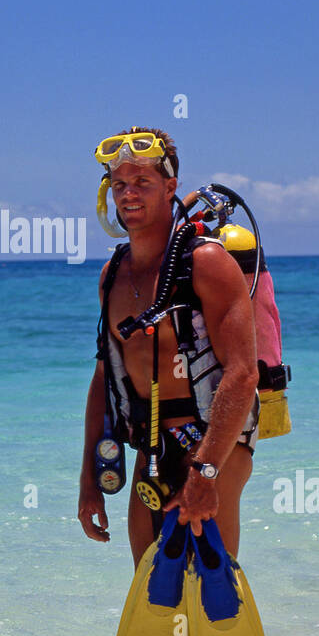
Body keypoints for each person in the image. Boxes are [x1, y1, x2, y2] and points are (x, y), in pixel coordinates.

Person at [77, 128, 259, 569]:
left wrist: (206, 470)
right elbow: (105, 376)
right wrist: (87, 479)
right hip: (152, 448)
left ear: (170, 188)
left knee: (211, 584)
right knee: (150, 580)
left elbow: (243, 373)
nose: (129, 194)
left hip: (217, 442)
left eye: (142, 182)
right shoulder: (112, 274)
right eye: (119, 184)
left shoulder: (207, 264)